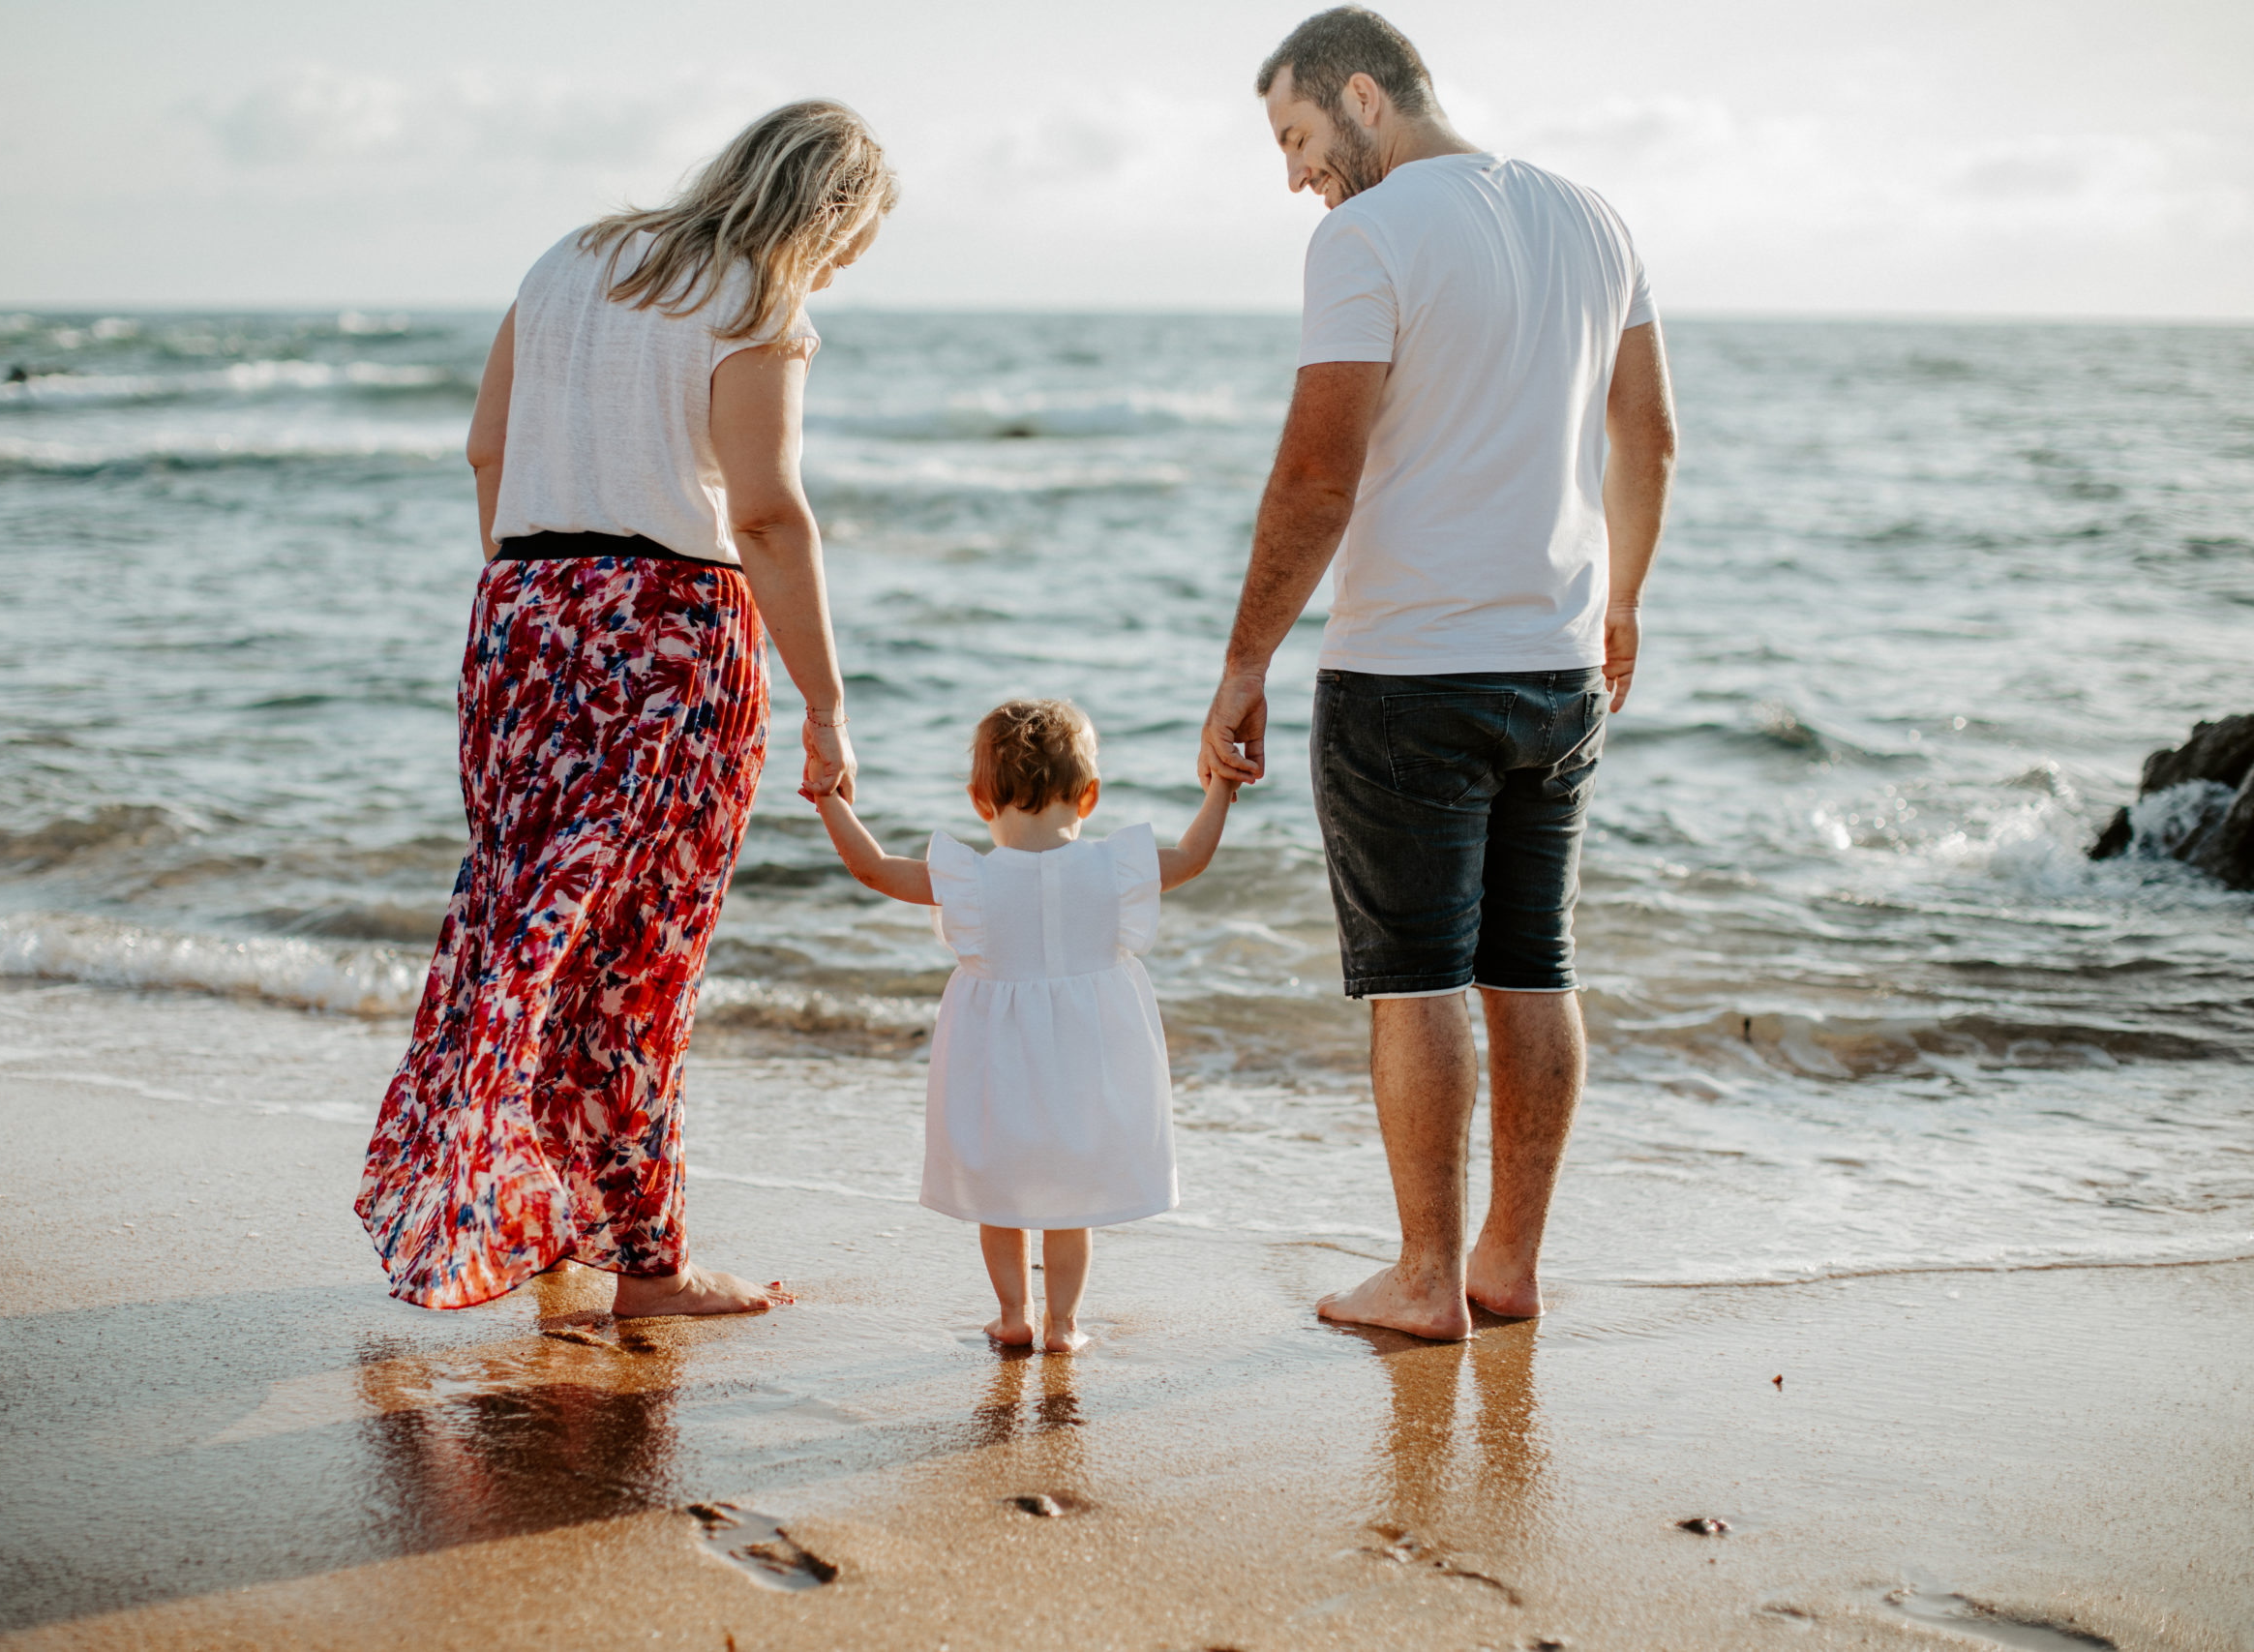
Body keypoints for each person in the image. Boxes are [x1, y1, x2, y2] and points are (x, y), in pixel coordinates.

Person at [356, 101, 899, 1315]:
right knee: (641, 953)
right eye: (858, 238)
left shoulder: (572, 257)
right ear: (828, 215)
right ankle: (647, 1268)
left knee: (534, 918)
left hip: (520, 615)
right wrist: (826, 701)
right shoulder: (758, 300)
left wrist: (538, 590)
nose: (851, 264)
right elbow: (764, 513)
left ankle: (542, 1218)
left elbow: (486, 449)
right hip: (668, 635)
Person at [1201, 9, 1679, 1341]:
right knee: (1535, 963)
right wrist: (1622, 595)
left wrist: (1244, 660)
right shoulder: (1597, 216)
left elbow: (1316, 470)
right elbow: (1650, 434)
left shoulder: (1366, 235)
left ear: (1365, 94)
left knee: (1416, 975)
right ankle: (1505, 1264)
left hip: (1408, 671)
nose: (1296, 173)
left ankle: (1423, 1278)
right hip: (1557, 665)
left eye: (1299, 136)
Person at [806, 700, 1238, 1352]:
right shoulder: (1114, 870)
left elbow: (874, 869)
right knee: (1072, 1204)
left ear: (981, 799)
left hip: (997, 1066)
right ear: (1089, 795)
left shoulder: (972, 878)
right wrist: (1223, 787)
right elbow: (1194, 855)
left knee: (999, 1194)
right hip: (1087, 1067)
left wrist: (828, 798)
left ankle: (1014, 1315)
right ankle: (1064, 1325)